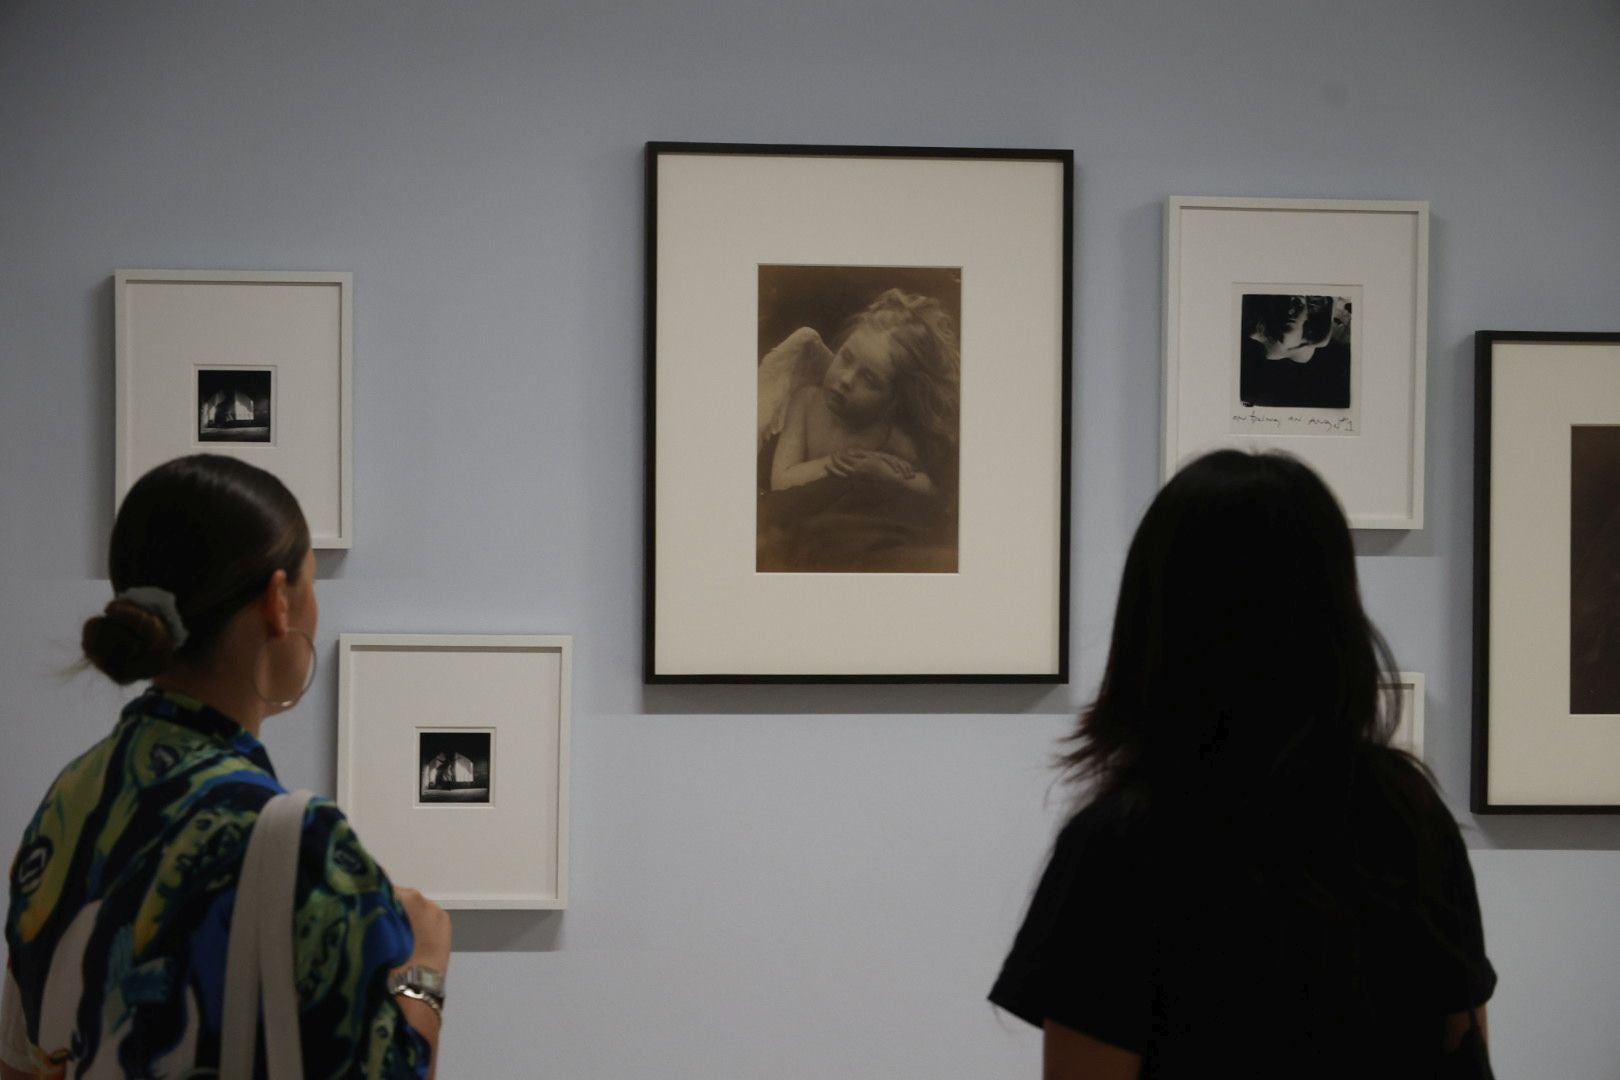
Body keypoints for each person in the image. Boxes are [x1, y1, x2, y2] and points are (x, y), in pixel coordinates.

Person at [990, 450, 1495, 1079]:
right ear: (1334, 618)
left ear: (1156, 622)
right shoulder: (1409, 818)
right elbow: (1467, 1060)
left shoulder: (1122, 847)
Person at [1, 455, 451, 1079]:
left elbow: (23, 1064)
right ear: (279, 602)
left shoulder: (69, 801)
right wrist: (425, 965)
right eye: (311, 582)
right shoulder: (304, 845)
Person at [758, 288, 962, 572]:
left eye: (870, 380)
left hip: (849, 535)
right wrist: (843, 464)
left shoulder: (888, 433)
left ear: (893, 400)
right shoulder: (805, 403)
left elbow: (929, 490)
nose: (845, 379)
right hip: (797, 522)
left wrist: (883, 472)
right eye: (846, 358)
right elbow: (781, 481)